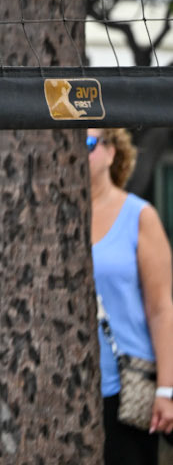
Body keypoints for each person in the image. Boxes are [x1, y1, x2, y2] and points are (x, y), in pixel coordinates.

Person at [89, 126, 173, 463]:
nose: (78, 153)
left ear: (112, 151)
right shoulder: (48, 219)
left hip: (125, 388)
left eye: (88, 143)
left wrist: (166, 389)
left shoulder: (139, 216)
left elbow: (161, 309)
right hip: (63, 389)